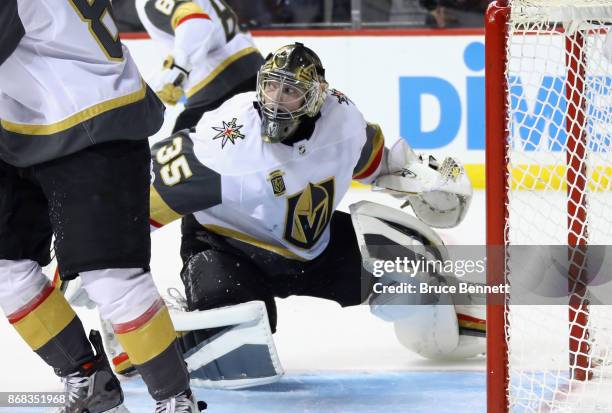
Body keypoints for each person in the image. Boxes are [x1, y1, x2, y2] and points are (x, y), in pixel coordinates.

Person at [71, 42, 483, 388]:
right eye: (270, 87)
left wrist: (423, 179)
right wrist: (102, 253)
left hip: (311, 245)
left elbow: (372, 160)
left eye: (290, 92)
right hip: (227, 247)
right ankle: (139, 336)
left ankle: (461, 316)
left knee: (409, 262)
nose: (276, 101)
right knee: (238, 353)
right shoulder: (227, 136)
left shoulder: (343, 119)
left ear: (317, 96)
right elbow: (151, 191)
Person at [0, 1, 203, 412]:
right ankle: (87, 377)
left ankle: (174, 400)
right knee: (4, 264)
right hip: (23, 126)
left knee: (111, 278)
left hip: (92, 121)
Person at [135, 0, 264, 133]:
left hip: (218, 89)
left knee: (178, 149)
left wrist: (176, 73)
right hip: (255, 74)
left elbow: (195, 22)